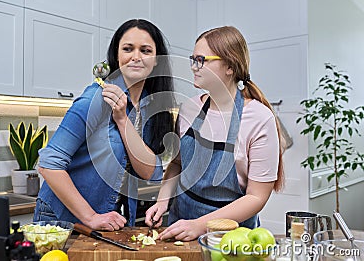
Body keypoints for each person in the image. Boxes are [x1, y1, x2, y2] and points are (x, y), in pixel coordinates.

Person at [34, 19, 175, 230]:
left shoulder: (149, 105)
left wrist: (122, 119)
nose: (136, 57)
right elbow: (49, 164)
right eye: (128, 49)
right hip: (61, 217)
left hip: (103, 217)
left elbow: (151, 172)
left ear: (156, 59)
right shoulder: (96, 98)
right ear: (117, 56)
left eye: (145, 50)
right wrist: (90, 217)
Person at [145, 26, 284, 241]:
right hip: (180, 224)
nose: (193, 67)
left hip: (232, 236)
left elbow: (257, 197)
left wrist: (200, 226)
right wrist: (163, 201)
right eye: (193, 59)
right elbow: (177, 164)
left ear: (229, 66)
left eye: (201, 60)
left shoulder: (259, 118)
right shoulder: (189, 109)